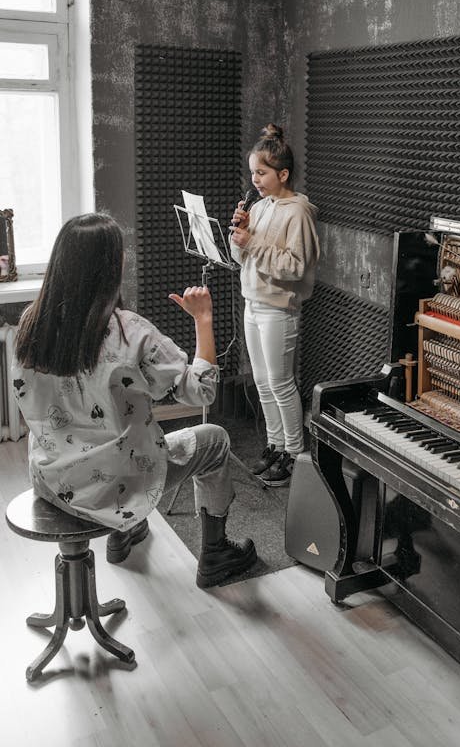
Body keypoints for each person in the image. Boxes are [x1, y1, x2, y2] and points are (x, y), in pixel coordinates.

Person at [12, 212, 256, 589]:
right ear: (111, 267)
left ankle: (125, 530)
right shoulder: (130, 332)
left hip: (51, 478)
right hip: (116, 483)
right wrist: (203, 319)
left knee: (111, 438)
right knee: (215, 440)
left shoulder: (32, 322)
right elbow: (200, 390)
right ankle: (217, 553)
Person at [230, 123, 320, 486]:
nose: (255, 179)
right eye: (253, 171)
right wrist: (239, 237)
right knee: (263, 382)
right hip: (253, 301)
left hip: (278, 308)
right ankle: (274, 445)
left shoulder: (298, 212)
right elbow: (244, 260)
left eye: (262, 172)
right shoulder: (263, 206)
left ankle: (295, 454)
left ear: (283, 174)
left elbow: (296, 267)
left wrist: (251, 243)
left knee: (281, 383)